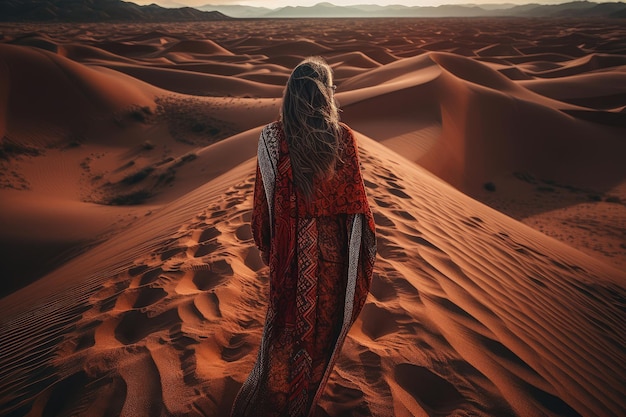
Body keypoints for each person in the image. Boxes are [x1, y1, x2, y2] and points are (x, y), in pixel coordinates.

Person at [231, 56, 376, 417]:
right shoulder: (344, 139)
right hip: (334, 263)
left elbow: (262, 206)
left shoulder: (270, 138)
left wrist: (268, 246)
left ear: (290, 93)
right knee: (320, 339)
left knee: (285, 335)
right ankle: (301, 405)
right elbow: (358, 209)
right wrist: (361, 253)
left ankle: (275, 405)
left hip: (291, 258)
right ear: (326, 93)